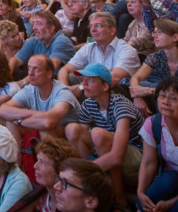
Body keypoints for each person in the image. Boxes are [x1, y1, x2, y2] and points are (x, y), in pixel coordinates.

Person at [64, 63, 143, 206]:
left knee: (99, 134)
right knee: (72, 129)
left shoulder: (120, 105)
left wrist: (82, 172)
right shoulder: (89, 104)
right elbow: (80, 138)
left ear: (105, 87)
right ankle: (94, 188)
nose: (84, 83)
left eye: (91, 80)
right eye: (84, 79)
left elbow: (117, 156)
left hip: (137, 159)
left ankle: (119, 199)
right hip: (110, 153)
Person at [138, 78, 178, 212]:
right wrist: (140, 192)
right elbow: (149, 162)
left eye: (173, 98)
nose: (166, 102)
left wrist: (170, 203)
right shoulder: (153, 124)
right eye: (162, 96)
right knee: (166, 182)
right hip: (172, 174)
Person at [33, 136, 79, 212]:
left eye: (41, 162)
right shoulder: (38, 200)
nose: (35, 166)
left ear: (59, 171)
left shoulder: (72, 208)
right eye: (37, 160)